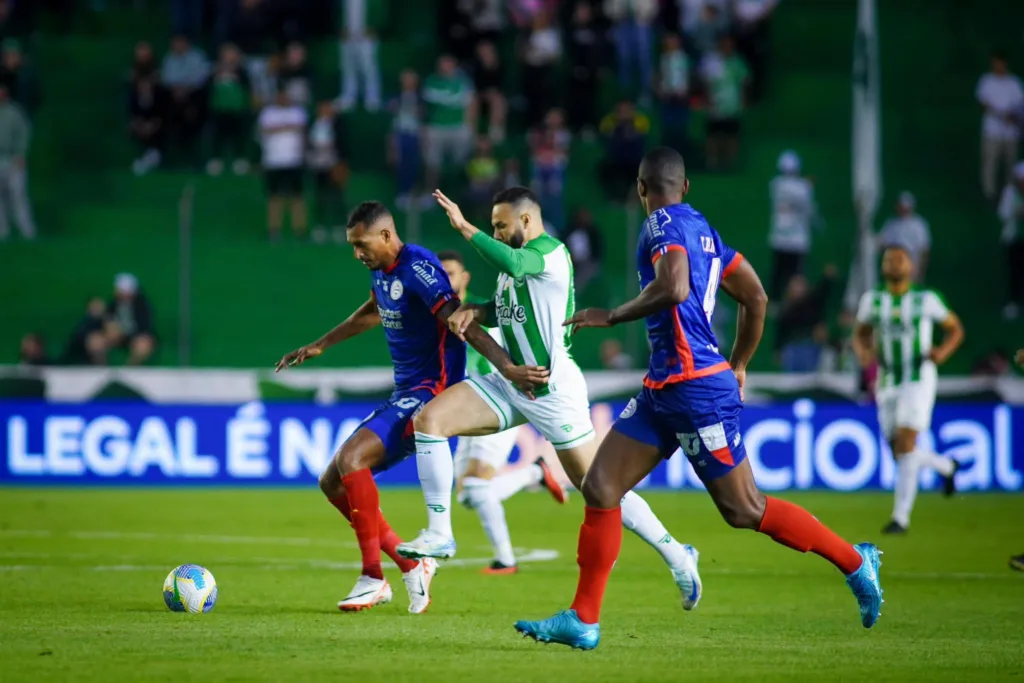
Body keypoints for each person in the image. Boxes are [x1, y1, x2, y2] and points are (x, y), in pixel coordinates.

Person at [513, 147, 884, 650]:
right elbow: (756, 297)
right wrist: (741, 363)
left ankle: (856, 562)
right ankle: (584, 619)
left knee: (744, 509)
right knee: (600, 487)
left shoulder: (660, 225)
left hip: (696, 391)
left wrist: (614, 315)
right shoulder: (703, 230)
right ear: (685, 186)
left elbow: (675, 286)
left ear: (641, 190)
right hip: (663, 389)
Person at [396, 187, 703, 613]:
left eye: (501, 226)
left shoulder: (551, 253)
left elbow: (515, 263)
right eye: (491, 227)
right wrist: (479, 311)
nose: (497, 234)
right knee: (429, 421)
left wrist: (465, 228)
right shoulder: (515, 267)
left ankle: (677, 554)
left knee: (598, 489)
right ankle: (439, 532)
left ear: (526, 221)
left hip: (551, 388)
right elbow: (508, 306)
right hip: (511, 382)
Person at [274, 201, 545, 613]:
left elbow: (460, 320)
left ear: (386, 235)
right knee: (331, 482)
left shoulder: (418, 266)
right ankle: (410, 563)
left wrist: (507, 367)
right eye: (352, 246)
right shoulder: (382, 273)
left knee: (352, 459)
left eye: (361, 244)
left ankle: (373, 577)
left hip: (430, 393)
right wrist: (321, 344)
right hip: (405, 391)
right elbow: (373, 311)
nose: (356, 254)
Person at [437, 249, 568, 574]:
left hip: (497, 399)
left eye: (451, 274)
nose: (447, 282)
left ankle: (505, 559)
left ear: (465, 278)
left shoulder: (484, 311)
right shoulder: (437, 316)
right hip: (466, 406)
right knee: (468, 494)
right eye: (440, 276)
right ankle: (535, 473)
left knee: (478, 488)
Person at [853, 244, 965, 535]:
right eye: (889, 259)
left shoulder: (926, 299)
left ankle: (900, 519)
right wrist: (864, 353)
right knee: (900, 451)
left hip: (918, 378)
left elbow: (955, 329)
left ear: (910, 267)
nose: (894, 263)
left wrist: (942, 352)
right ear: (883, 267)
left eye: (900, 259)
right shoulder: (872, 300)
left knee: (905, 444)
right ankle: (946, 466)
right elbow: (861, 333)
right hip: (888, 380)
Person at [258, 89, 307, 240]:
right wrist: (288, 127)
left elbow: (301, 129)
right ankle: (274, 230)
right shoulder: (267, 113)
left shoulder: (298, 112)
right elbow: (265, 130)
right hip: (273, 161)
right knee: (274, 197)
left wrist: (278, 128)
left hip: (294, 160)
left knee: (296, 197)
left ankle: (299, 230)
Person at [768, 150, 815, 301]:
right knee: (795, 273)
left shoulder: (775, 184)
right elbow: (809, 209)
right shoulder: (803, 187)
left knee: (779, 272)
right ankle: (795, 300)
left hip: (780, 235)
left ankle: (777, 301)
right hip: (797, 237)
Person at [877, 192, 931, 283]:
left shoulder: (919, 224)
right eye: (901, 206)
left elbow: (924, 250)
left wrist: (921, 272)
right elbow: (881, 244)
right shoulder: (891, 224)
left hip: (912, 269)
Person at [104, 273, 157, 365]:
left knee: (143, 345)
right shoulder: (112, 304)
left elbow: (144, 328)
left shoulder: (142, 305)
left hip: (135, 337)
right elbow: (107, 322)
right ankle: (100, 369)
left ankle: (130, 369)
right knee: (95, 342)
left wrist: (126, 333)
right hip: (117, 337)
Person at [998, 161, 1024, 319]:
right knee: (1015, 272)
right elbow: (1003, 213)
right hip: (1015, 239)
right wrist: (1016, 213)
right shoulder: (1010, 194)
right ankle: (1014, 303)